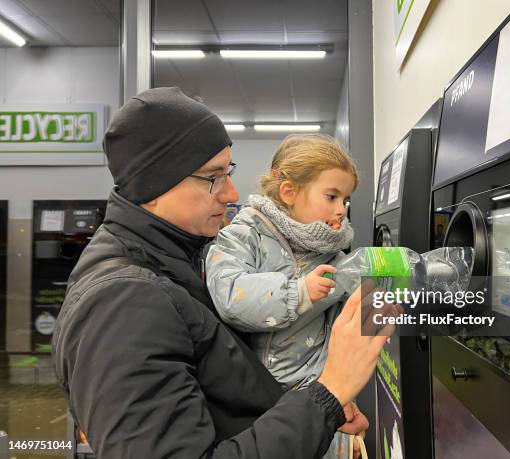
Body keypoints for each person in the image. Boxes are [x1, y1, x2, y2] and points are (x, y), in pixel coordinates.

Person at [51, 87, 389, 458]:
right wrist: (329, 394)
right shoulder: (121, 303)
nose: (230, 193)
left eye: (228, 172)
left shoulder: (179, 264)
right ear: (155, 183)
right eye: (213, 177)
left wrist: (317, 413)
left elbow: (231, 397)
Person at [206, 134, 358, 458]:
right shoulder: (243, 236)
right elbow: (229, 294)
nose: (341, 210)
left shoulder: (334, 256)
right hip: (258, 409)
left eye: (345, 199)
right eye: (331, 196)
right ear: (289, 192)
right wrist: (298, 293)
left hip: (320, 405)